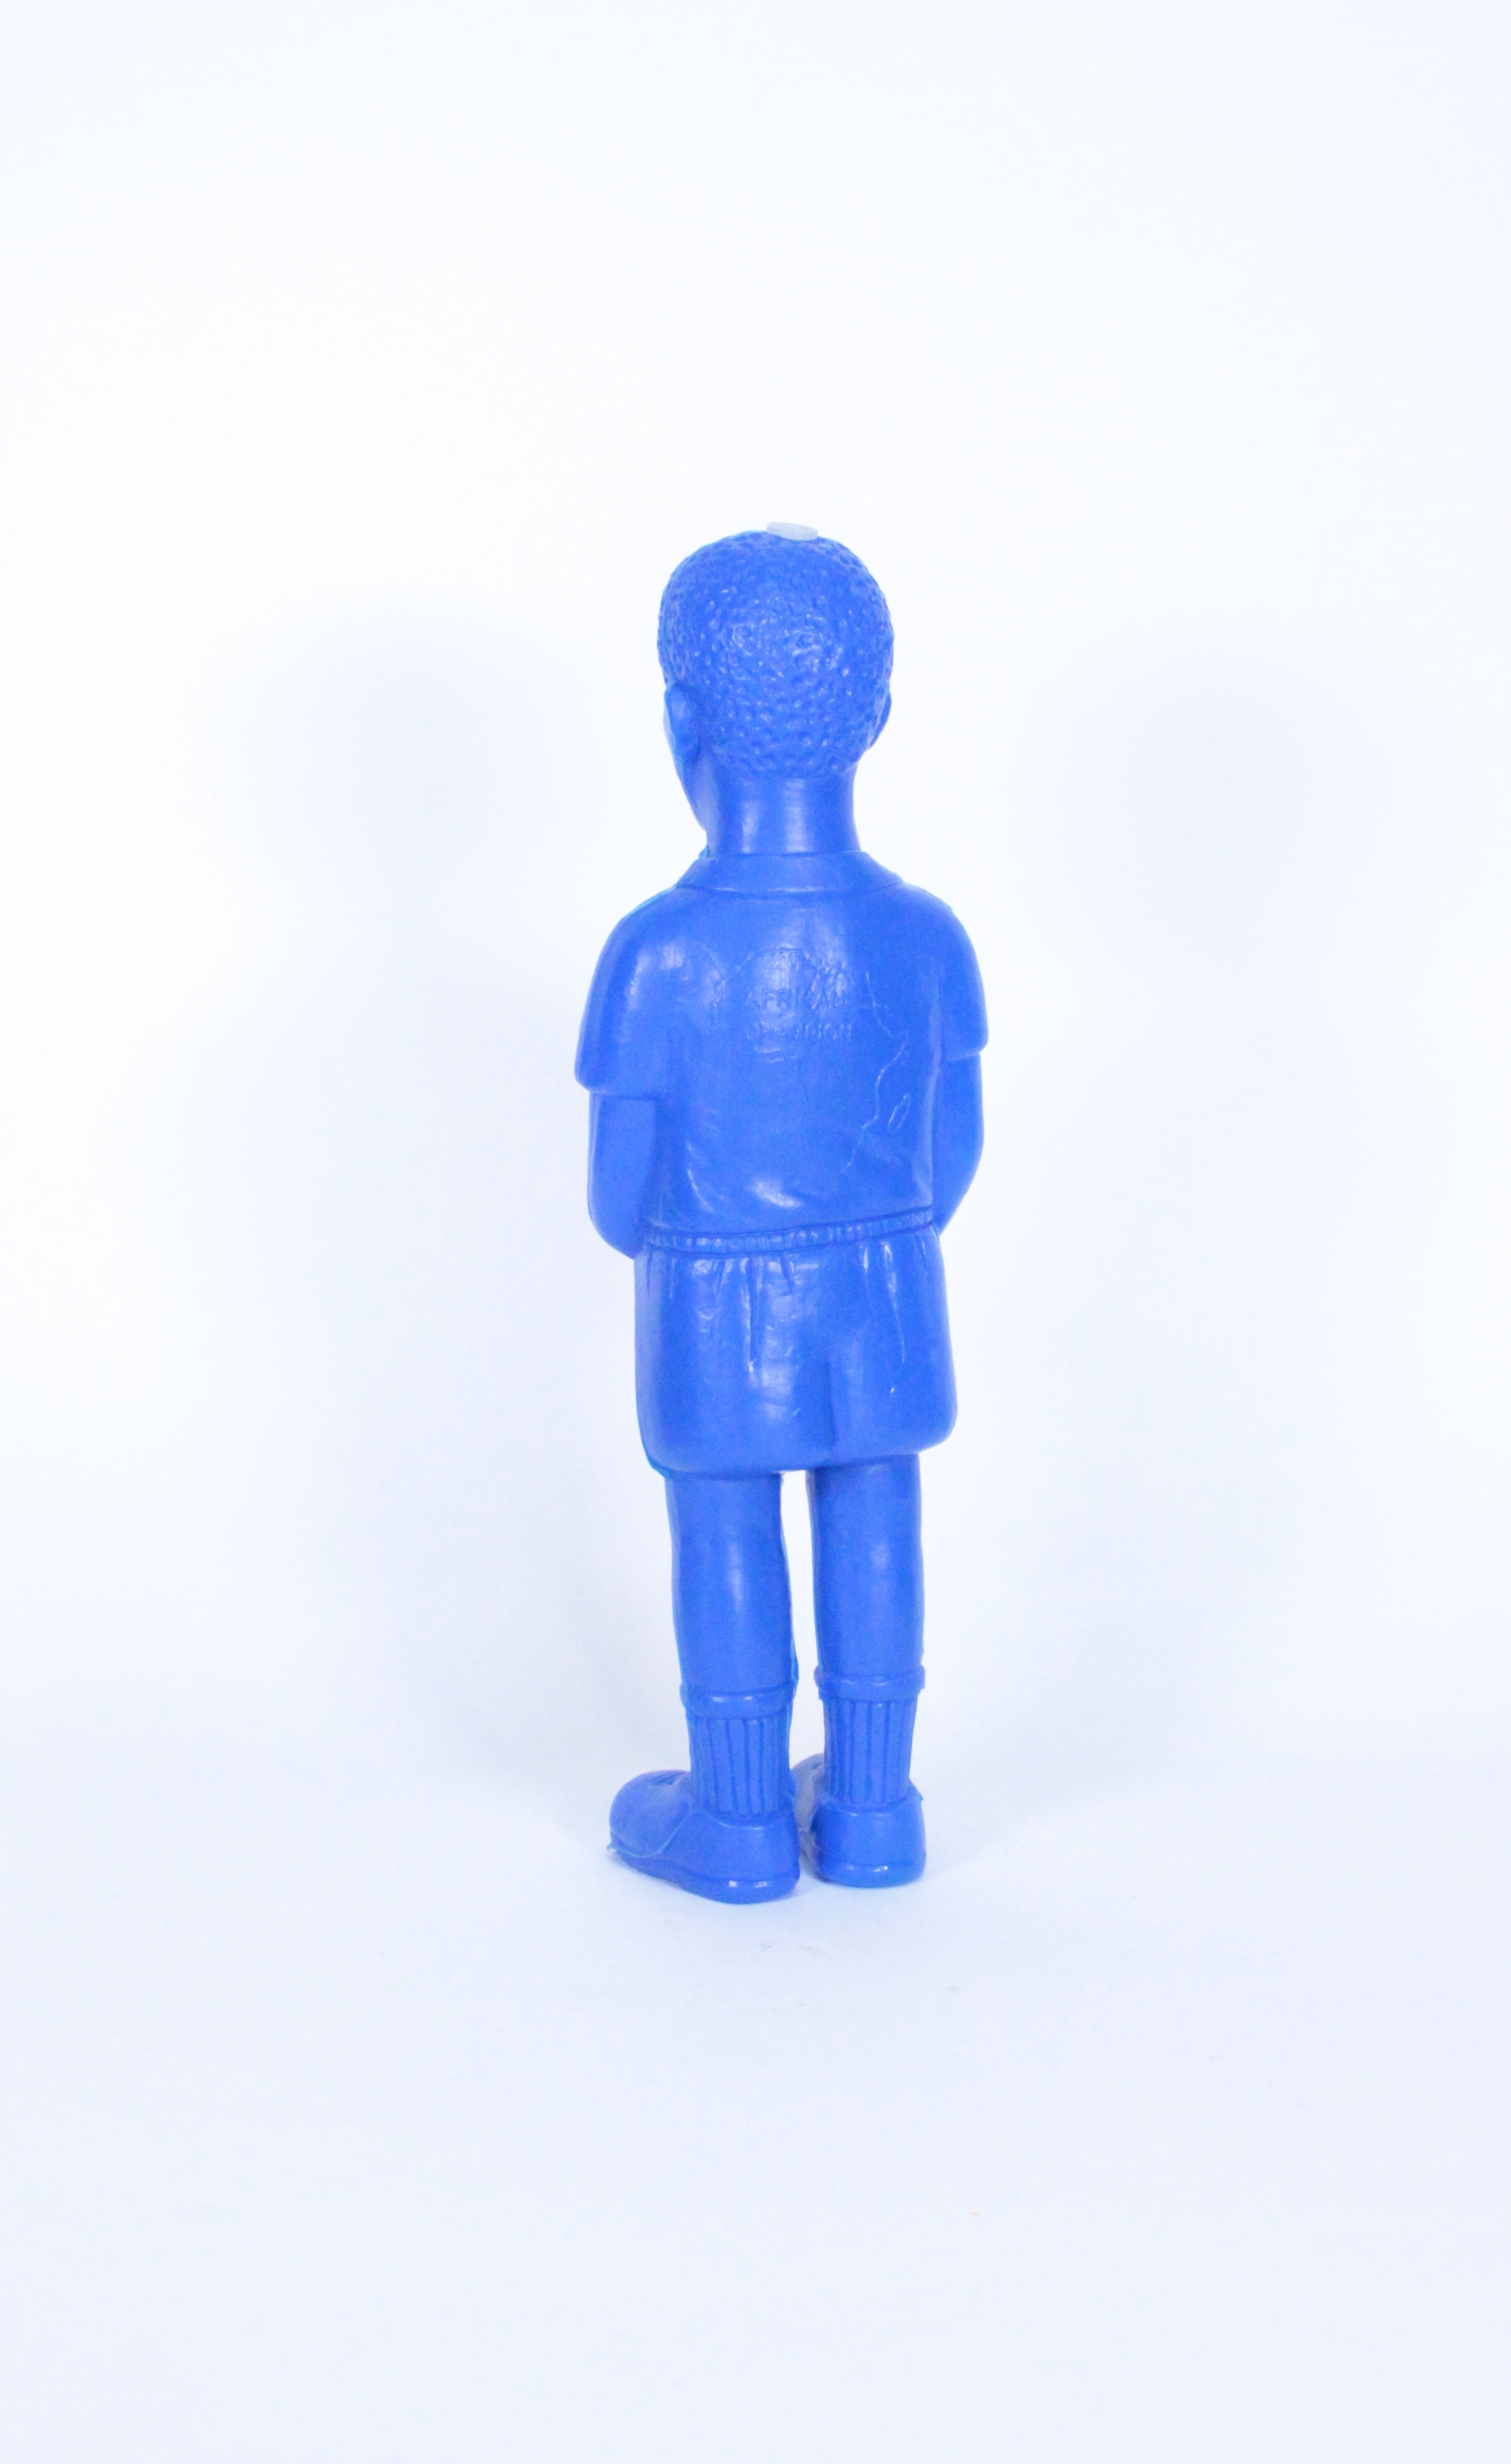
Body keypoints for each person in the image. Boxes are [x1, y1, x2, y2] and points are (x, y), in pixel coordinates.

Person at [575, 526, 986, 1901]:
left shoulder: (653, 954)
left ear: (681, 720)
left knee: (723, 1524)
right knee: (878, 1505)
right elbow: (953, 1150)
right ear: (879, 713)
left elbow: (617, 1198)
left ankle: (740, 1818)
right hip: (888, 1282)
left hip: (711, 1298)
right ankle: (874, 1808)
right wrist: (874, 1230)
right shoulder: (929, 938)